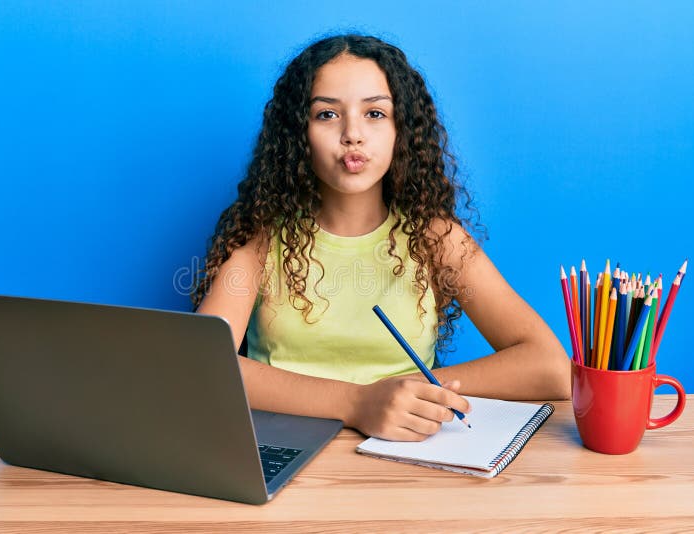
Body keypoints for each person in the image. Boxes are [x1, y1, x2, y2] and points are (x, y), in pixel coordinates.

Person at [193, 34, 570, 442]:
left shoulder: (436, 238)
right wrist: (358, 402)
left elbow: (550, 367)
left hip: (409, 458)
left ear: (401, 130)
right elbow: (198, 366)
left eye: (374, 113)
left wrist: (408, 395)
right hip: (283, 451)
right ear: (297, 135)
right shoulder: (263, 241)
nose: (352, 134)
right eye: (326, 115)